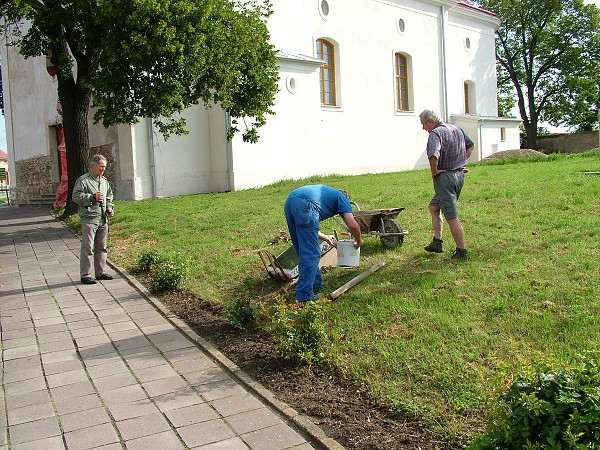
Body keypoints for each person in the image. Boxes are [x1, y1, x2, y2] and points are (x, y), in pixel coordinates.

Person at [284, 184, 363, 305]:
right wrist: (358, 240)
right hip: (305, 204)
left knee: (302, 249)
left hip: (291, 201)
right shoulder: (342, 198)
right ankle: (304, 296)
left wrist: (325, 237)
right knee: (311, 252)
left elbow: (308, 227)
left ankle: (315, 284)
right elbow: (353, 225)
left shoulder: (326, 196)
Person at [419, 109, 474, 259]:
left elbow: (433, 154)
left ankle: (462, 251)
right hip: (459, 176)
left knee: (451, 216)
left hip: (445, 179)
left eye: (424, 124)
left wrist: (434, 171)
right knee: (434, 207)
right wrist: (460, 163)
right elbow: (470, 146)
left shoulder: (435, 134)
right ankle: (437, 242)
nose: (423, 128)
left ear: (430, 122)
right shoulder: (457, 129)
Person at [72, 154, 115, 284]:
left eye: (105, 167)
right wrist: (91, 197)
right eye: (101, 166)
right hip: (89, 219)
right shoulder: (83, 181)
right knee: (88, 248)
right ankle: (85, 275)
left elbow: (109, 196)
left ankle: (100, 272)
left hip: (102, 218)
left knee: (102, 247)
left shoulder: (104, 181)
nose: (103, 169)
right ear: (93, 166)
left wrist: (109, 207)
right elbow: (76, 196)